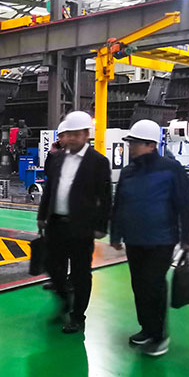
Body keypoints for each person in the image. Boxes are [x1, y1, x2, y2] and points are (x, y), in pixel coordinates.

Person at [110, 119, 189, 356]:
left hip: (161, 240)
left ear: (151, 144)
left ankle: (159, 336)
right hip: (134, 240)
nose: (130, 147)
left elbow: (184, 204)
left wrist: (188, 238)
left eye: (135, 143)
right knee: (139, 285)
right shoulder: (128, 172)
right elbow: (119, 205)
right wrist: (116, 234)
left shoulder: (171, 169)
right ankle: (146, 328)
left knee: (154, 285)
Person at [37, 111, 111, 333]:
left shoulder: (98, 162)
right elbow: (49, 189)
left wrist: (101, 226)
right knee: (53, 266)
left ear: (86, 135)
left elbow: (105, 197)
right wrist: (42, 215)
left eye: (75, 134)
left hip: (81, 227)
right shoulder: (57, 159)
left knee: (80, 274)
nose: (70, 138)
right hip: (56, 224)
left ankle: (78, 316)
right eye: (68, 134)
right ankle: (65, 300)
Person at [42, 120, 69, 291]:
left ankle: (72, 281)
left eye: (62, 136)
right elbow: (48, 173)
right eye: (59, 136)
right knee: (58, 251)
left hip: (74, 215)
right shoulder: (58, 156)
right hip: (57, 213)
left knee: (73, 252)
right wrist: (52, 153)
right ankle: (59, 280)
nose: (60, 139)